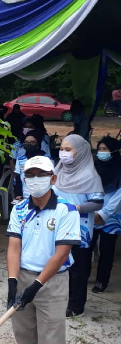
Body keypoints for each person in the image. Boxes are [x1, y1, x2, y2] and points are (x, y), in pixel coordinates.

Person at [5, 156, 80, 344]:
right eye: (30, 175)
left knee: (52, 341)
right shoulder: (20, 209)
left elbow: (61, 253)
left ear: (52, 178)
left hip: (53, 282)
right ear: (25, 179)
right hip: (24, 275)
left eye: (41, 174)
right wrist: (13, 282)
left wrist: (37, 286)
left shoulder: (66, 210)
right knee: (25, 334)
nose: (35, 179)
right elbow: (14, 245)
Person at [53, 134, 103, 317]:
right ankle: (61, 300)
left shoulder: (90, 175)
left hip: (79, 232)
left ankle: (76, 306)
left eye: (68, 150)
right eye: (62, 149)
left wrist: (76, 208)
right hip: (56, 228)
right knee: (59, 266)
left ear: (80, 152)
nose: (64, 154)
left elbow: (98, 202)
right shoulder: (58, 171)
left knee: (78, 269)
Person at [89, 137, 121, 293]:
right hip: (91, 212)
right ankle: (85, 275)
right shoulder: (94, 167)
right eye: (100, 149)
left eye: (105, 149)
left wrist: (104, 214)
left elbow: (119, 196)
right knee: (87, 246)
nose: (102, 152)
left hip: (112, 216)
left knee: (106, 249)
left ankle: (102, 280)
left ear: (114, 151)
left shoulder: (119, 169)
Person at [13, 130, 48, 200]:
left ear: (38, 144)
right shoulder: (20, 159)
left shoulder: (46, 158)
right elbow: (18, 179)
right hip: (25, 195)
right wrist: (18, 194)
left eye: (33, 142)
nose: (29, 144)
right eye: (26, 142)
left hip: (43, 196)